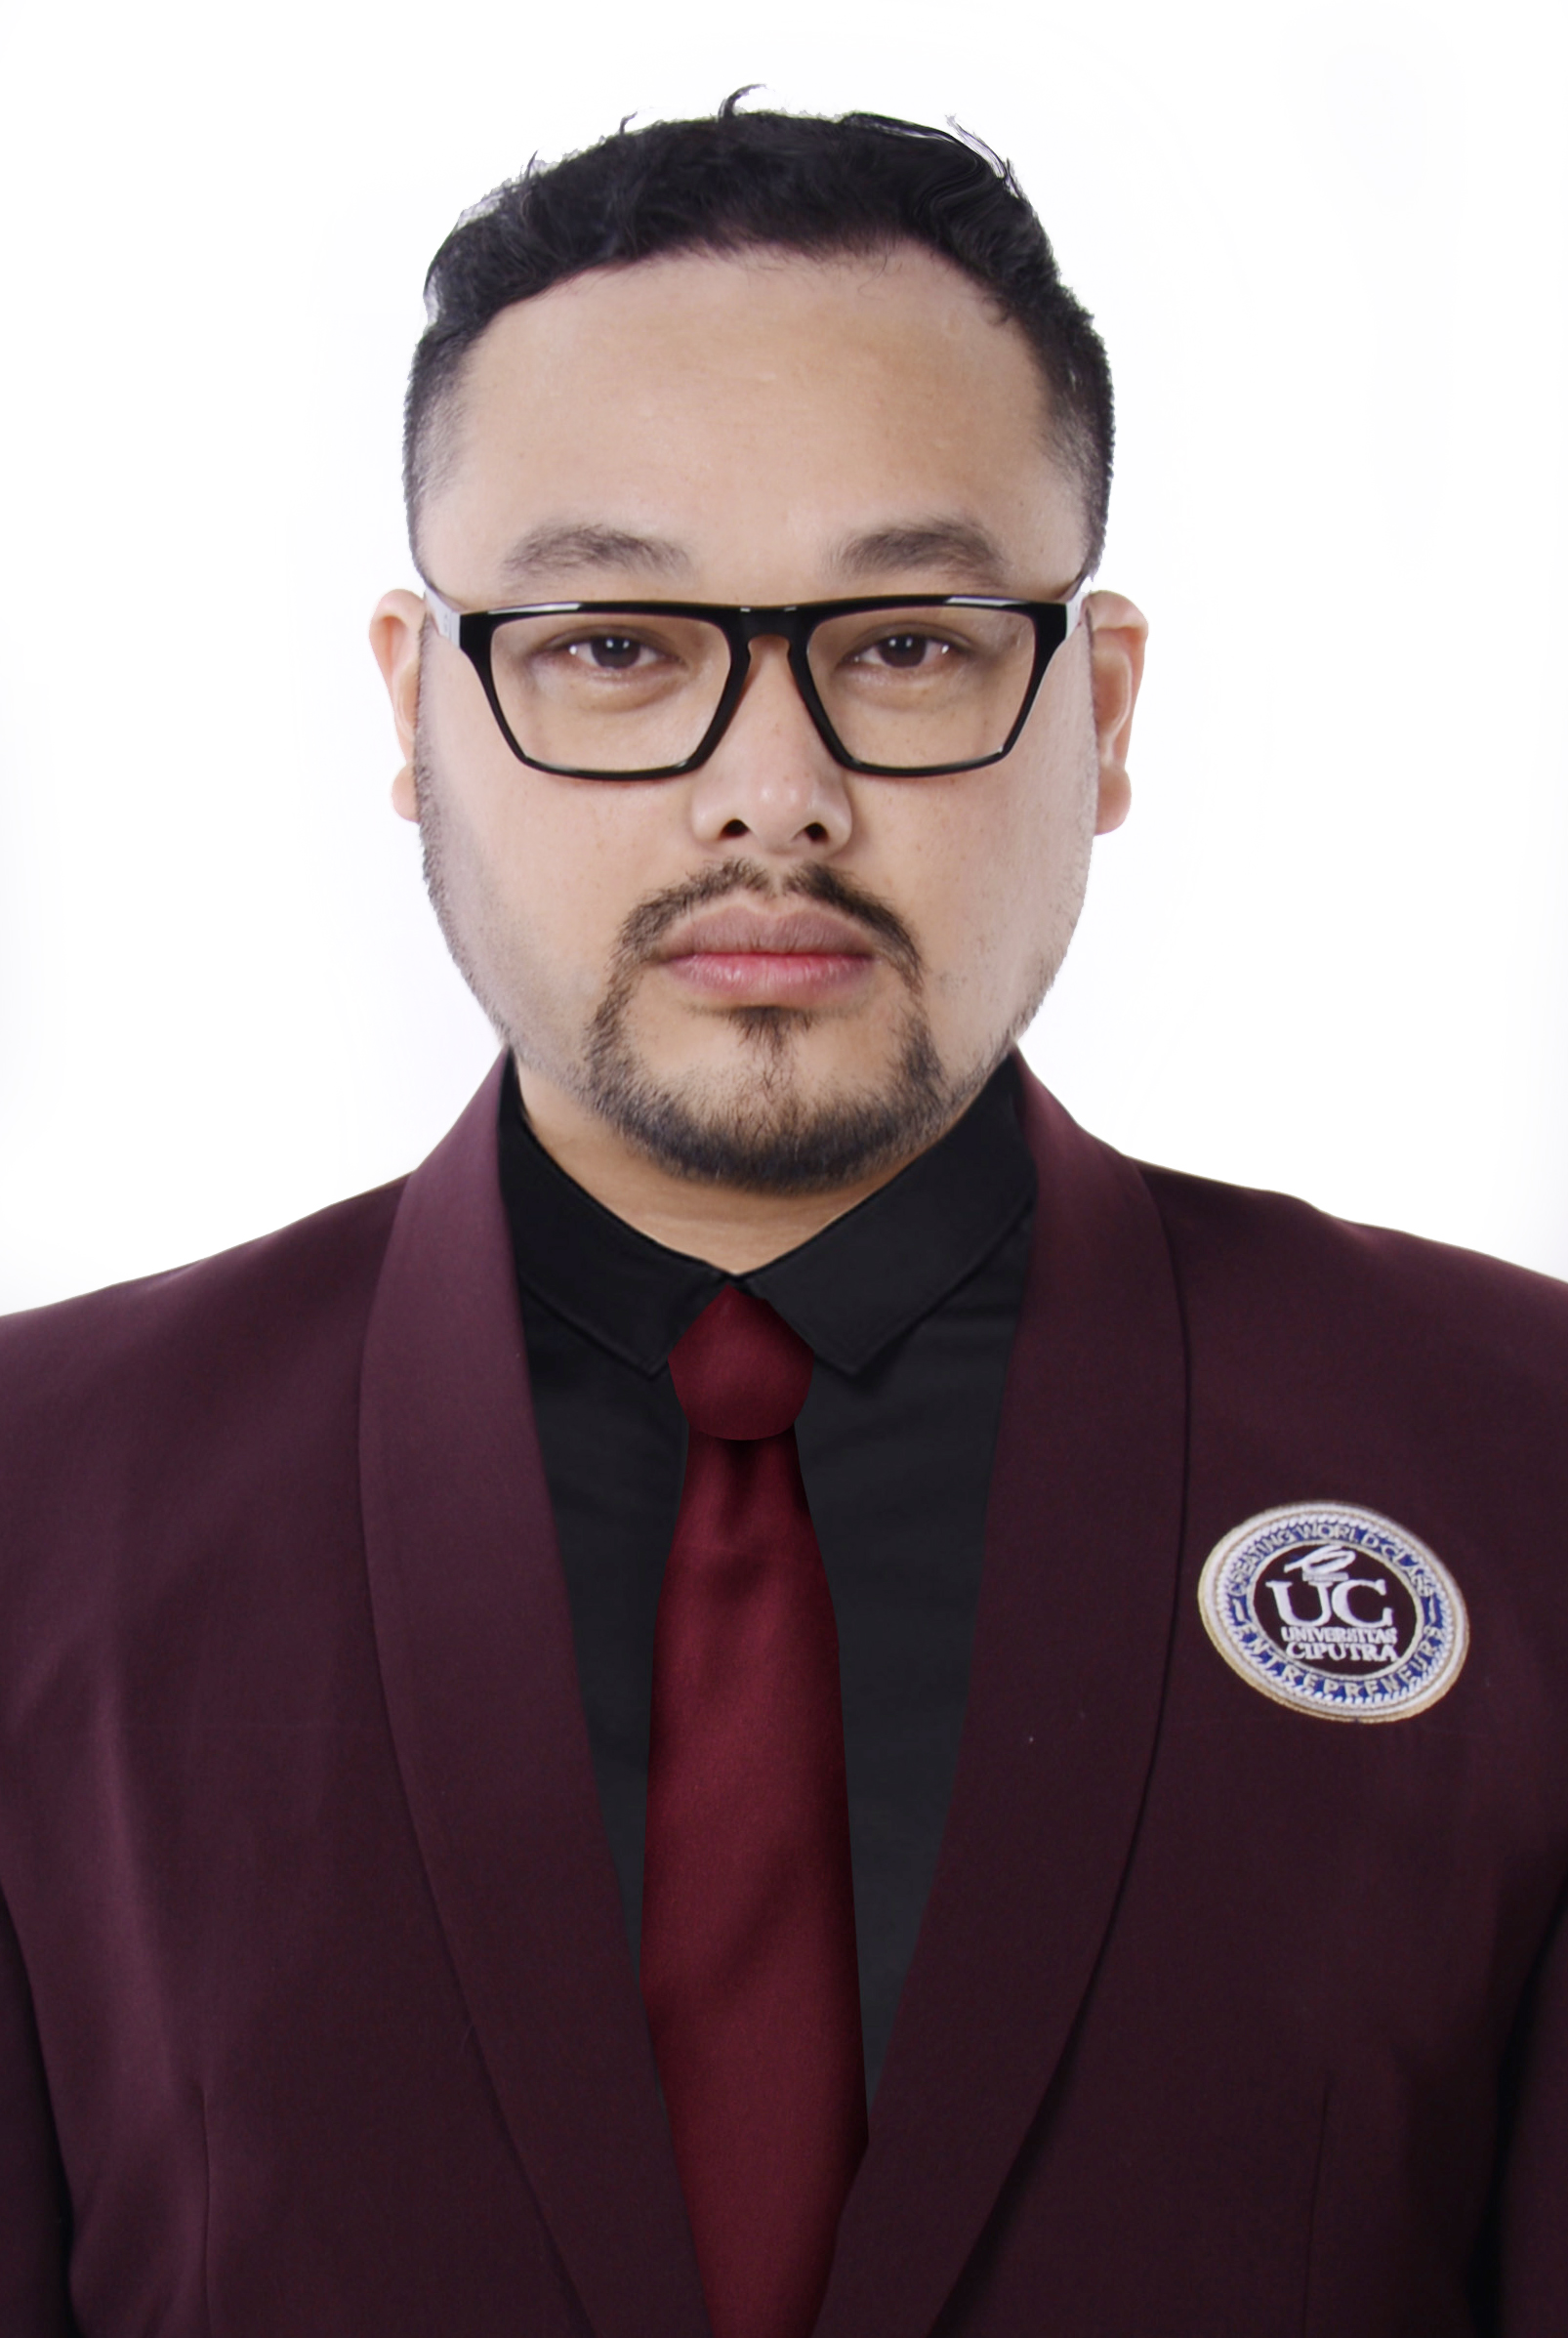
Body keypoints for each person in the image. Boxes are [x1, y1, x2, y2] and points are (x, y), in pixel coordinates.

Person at [1, 99, 1565, 2338]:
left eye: (906, 644)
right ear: (419, 707)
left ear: (1099, 710)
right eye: (611, 645)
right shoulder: (39, 1508)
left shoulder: (1516, 1460)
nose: (769, 793)